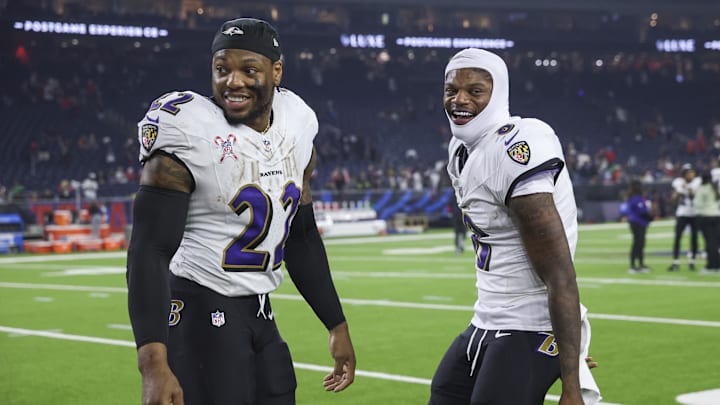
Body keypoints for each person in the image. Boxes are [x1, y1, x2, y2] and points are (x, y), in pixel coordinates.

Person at [126, 18, 356, 405]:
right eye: (222, 69)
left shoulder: (297, 122)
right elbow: (148, 251)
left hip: (260, 310)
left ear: (276, 71)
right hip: (199, 308)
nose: (233, 81)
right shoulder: (188, 131)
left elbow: (299, 236)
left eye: (249, 70)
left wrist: (336, 323)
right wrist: (153, 364)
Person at [431, 48, 600, 405]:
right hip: (487, 316)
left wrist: (570, 379)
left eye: (475, 91)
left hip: (530, 323)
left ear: (499, 94)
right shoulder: (460, 149)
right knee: (444, 394)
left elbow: (560, 274)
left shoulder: (517, 147)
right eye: (451, 90)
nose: (459, 99)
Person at [668, 163, 701, 271]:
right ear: (684, 174)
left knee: (694, 239)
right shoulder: (678, 182)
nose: (691, 175)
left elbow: (694, 196)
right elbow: (673, 201)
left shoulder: (697, 182)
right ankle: (675, 262)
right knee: (677, 237)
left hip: (694, 213)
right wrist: (678, 192)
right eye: (688, 173)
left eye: (692, 172)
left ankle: (692, 261)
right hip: (682, 213)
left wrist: (688, 188)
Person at [622, 179, 653, 274]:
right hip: (637, 223)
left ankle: (640, 264)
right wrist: (650, 217)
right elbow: (642, 212)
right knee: (637, 243)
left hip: (639, 222)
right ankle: (633, 266)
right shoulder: (636, 198)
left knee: (640, 244)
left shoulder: (636, 197)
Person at [693, 172, 720, 273]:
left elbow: (697, 204)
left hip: (706, 217)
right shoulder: (715, 188)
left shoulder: (702, 189)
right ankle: (717, 265)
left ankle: (710, 266)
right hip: (717, 216)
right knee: (716, 243)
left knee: (709, 243)